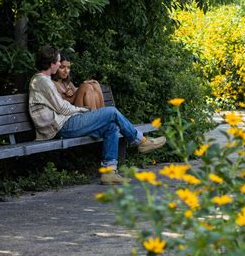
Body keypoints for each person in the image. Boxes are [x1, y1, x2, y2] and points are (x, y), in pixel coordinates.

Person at [28, 46, 166, 186]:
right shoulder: (42, 81)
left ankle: (109, 173)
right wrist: (83, 110)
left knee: (111, 127)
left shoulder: (43, 80)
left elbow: (61, 107)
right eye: (58, 62)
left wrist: (82, 110)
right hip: (60, 126)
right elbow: (62, 107)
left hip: (63, 123)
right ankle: (140, 141)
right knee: (111, 112)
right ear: (51, 63)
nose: (59, 65)